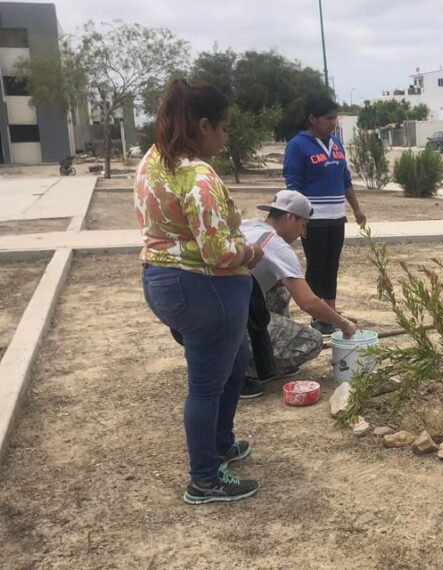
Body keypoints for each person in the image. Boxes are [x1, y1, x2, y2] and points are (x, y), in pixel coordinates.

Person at [136, 79, 262, 504]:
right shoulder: (198, 175)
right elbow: (215, 250)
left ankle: (221, 443)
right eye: (224, 129)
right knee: (206, 382)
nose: (226, 139)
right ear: (204, 126)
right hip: (200, 286)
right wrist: (247, 252)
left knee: (237, 357)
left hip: (164, 277)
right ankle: (204, 478)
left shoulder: (155, 160)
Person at [238, 190, 358, 397]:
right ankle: (245, 369)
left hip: (216, 303)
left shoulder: (249, 225)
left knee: (281, 289)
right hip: (234, 316)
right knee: (312, 341)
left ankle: (264, 354)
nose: (303, 234)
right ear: (290, 217)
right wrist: (343, 324)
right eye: (303, 225)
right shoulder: (277, 246)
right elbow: (308, 302)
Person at [283, 96, 366, 335]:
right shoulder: (298, 145)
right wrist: (300, 219)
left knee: (332, 266)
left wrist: (356, 209)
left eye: (335, 117)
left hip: (336, 216)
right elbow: (293, 185)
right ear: (312, 119)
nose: (333, 122)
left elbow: (345, 180)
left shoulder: (336, 144)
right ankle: (317, 317)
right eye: (328, 118)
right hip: (313, 219)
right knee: (316, 266)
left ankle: (331, 311)